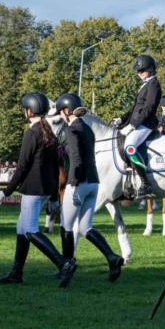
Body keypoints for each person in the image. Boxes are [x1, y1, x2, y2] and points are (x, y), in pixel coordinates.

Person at [0, 92, 77, 287]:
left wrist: (5, 192)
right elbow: (56, 167)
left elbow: (22, 167)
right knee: (21, 228)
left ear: (29, 111)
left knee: (30, 230)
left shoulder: (32, 133)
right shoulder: (49, 132)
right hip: (46, 188)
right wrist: (55, 195)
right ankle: (16, 273)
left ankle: (64, 263)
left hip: (34, 189)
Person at [55, 93, 124, 281]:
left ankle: (67, 267)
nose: (61, 117)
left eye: (61, 113)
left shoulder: (71, 130)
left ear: (67, 111)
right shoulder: (87, 128)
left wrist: (74, 185)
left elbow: (76, 160)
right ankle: (112, 257)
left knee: (66, 226)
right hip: (94, 182)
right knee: (85, 227)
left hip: (79, 182)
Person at [109, 55, 162, 199]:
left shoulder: (154, 84)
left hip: (146, 124)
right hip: (137, 123)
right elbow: (133, 109)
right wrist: (121, 119)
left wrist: (133, 125)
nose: (139, 73)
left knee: (129, 147)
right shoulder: (143, 85)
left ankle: (146, 183)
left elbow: (149, 108)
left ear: (151, 69)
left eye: (142, 70)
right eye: (138, 71)